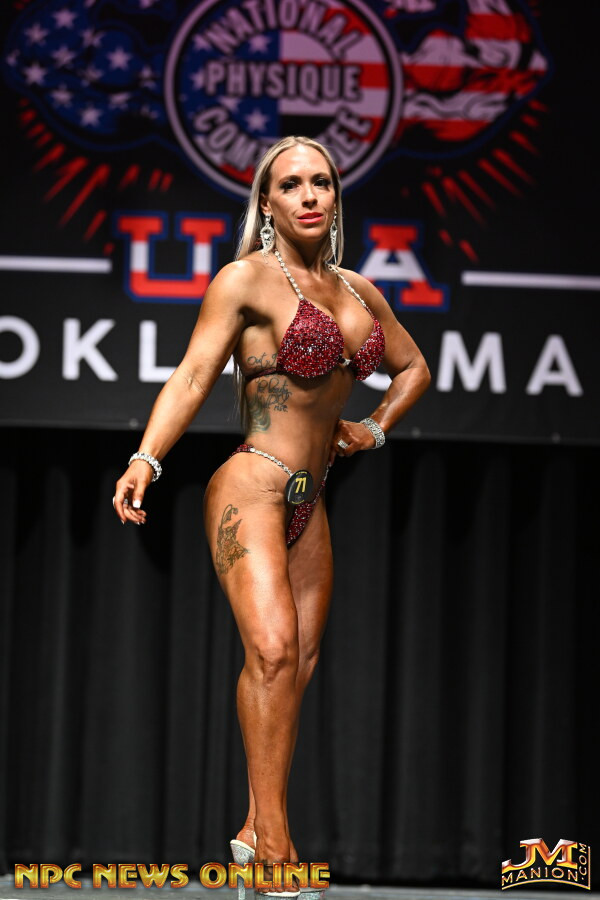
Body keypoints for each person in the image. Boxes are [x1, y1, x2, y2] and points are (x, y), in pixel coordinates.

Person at [113, 135, 431, 894]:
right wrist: (146, 459)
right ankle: (276, 852)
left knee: (297, 666)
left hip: (309, 501)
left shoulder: (358, 292)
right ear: (267, 202)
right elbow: (194, 374)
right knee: (274, 652)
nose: (309, 195)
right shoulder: (246, 279)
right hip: (251, 486)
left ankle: (256, 827)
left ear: (336, 195)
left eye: (321, 181)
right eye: (291, 184)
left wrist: (375, 427)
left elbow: (414, 367)